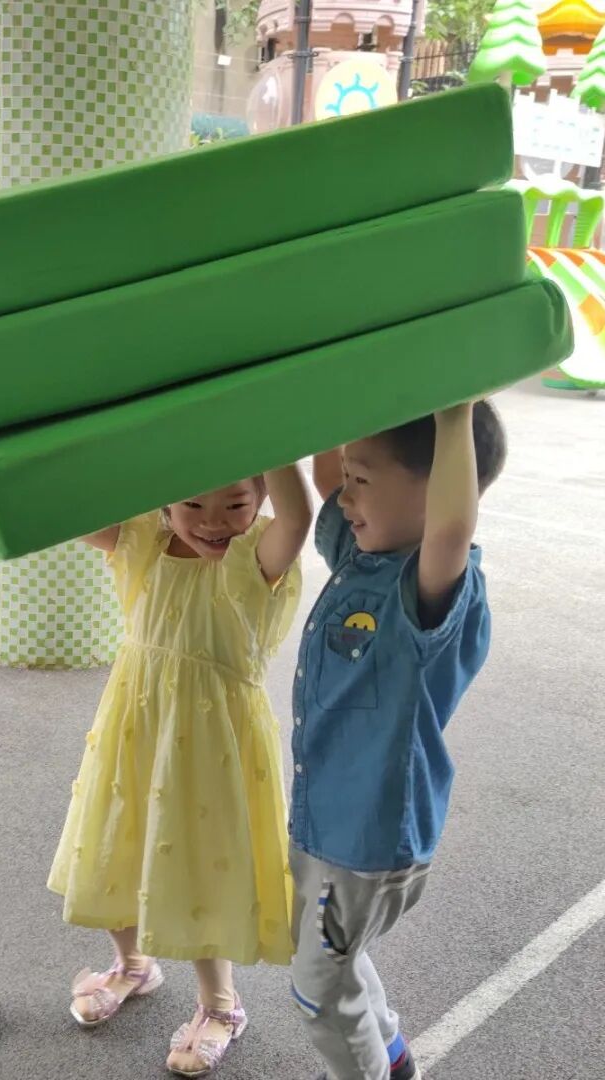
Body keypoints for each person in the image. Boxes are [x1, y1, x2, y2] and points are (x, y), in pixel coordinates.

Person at [49, 467, 313, 1076]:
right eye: (192, 503)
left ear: (262, 497)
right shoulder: (143, 537)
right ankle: (132, 965)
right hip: (136, 728)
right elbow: (61, 507)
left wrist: (274, 440)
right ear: (163, 500)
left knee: (200, 862)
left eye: (236, 504)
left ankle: (220, 1005)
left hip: (213, 746)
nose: (214, 521)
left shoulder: (257, 554)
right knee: (118, 843)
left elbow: (299, 517)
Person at [290, 401, 507, 1080]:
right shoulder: (363, 555)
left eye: (362, 481)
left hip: (367, 836)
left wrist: (454, 412)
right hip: (324, 818)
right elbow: (327, 471)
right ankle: (389, 1052)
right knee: (333, 958)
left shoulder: (430, 585)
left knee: (319, 990)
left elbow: (451, 527)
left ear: (438, 491)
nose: (343, 496)